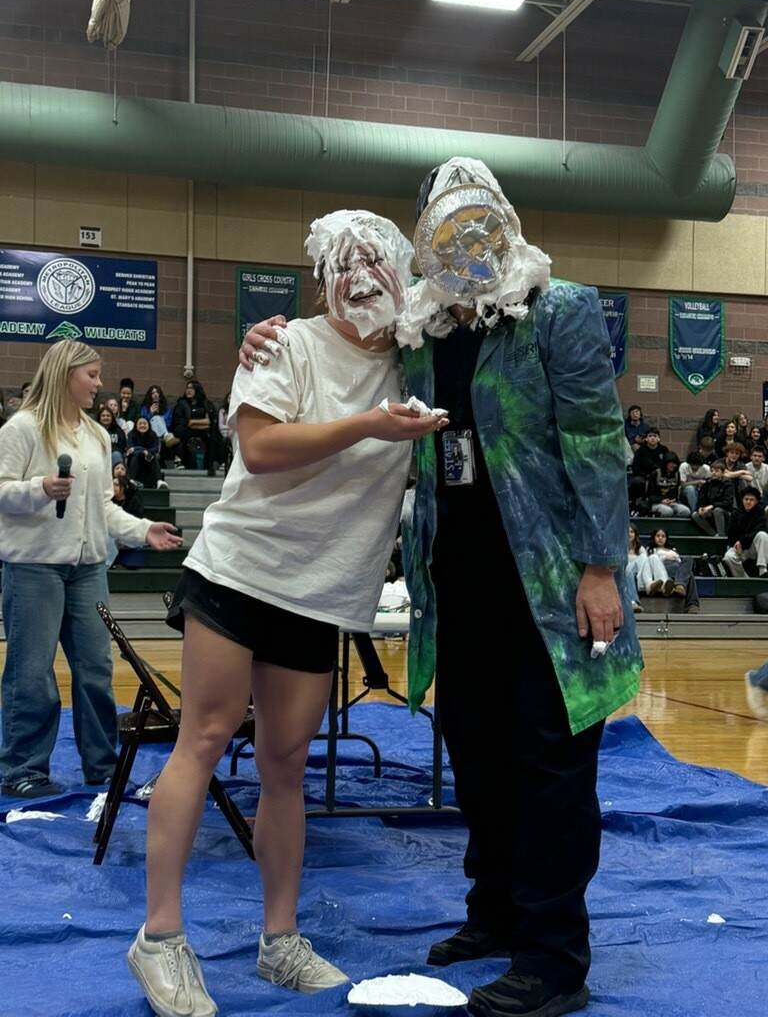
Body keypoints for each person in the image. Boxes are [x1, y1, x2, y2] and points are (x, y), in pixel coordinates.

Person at [241, 157, 643, 1017]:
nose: (463, 241)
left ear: (502, 216)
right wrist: (266, 339)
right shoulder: (419, 328)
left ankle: (553, 958)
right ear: (423, 240)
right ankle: (494, 911)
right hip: (458, 580)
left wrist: (602, 568)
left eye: (476, 218)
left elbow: (599, 442)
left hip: (552, 582)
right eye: (444, 228)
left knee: (549, 763)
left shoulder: (558, 309)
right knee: (476, 752)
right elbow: (341, 348)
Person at [126, 209, 448, 1017]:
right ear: (322, 278)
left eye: (377, 261)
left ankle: (279, 941)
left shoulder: (417, 358)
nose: (362, 277)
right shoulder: (287, 345)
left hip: (319, 594)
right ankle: (159, 938)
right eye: (345, 264)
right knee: (204, 738)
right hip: (241, 569)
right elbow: (262, 449)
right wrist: (370, 426)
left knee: (286, 766)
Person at [0, 341, 182, 799]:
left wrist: (143, 530)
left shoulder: (97, 436)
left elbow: (102, 507)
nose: (100, 385)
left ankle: (102, 766)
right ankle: (23, 769)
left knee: (96, 667)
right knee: (32, 671)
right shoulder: (21, 429)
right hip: (33, 567)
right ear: (65, 374)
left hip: (87, 569)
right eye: (92, 375)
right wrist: (39, 488)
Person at [646, 527, 700, 614]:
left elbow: (681, 563)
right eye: (658, 536)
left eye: (663, 536)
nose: (660, 538)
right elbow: (650, 563)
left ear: (666, 538)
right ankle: (692, 605)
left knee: (689, 559)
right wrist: (665, 557)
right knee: (689, 574)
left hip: (677, 568)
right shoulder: (651, 550)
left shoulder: (672, 550)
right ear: (654, 537)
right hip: (663, 568)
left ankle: (681, 585)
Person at [170, 379, 218, 474]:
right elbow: (182, 422)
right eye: (187, 388)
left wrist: (192, 422)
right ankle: (179, 461)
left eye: (191, 388)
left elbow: (209, 422)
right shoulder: (181, 404)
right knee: (180, 432)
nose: (188, 390)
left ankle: (212, 464)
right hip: (186, 430)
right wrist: (201, 423)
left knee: (214, 436)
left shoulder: (206, 404)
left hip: (203, 431)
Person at [722, 486, 768, 577]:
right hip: (739, 548)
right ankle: (743, 579)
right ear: (742, 500)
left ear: (756, 501)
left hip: (753, 547)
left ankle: (762, 569)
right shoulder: (735, 513)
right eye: (746, 499)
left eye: (751, 500)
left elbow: (759, 529)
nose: (748, 502)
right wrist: (736, 543)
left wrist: (742, 542)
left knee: (763, 535)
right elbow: (730, 533)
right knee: (728, 557)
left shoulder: (760, 512)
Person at [626, 523, 674, 599]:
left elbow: (646, 562)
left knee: (653, 557)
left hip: (638, 571)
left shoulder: (639, 548)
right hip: (626, 571)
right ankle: (647, 584)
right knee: (643, 557)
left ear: (635, 534)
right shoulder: (620, 547)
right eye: (627, 532)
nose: (629, 534)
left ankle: (664, 585)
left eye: (632, 532)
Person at [691, 460, 735, 536]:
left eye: (717, 471)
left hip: (724, 512)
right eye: (712, 471)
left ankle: (721, 535)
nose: (713, 473)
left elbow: (727, 503)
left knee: (717, 510)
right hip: (710, 511)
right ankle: (713, 534)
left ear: (722, 473)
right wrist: (700, 507)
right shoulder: (707, 484)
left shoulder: (728, 484)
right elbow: (701, 500)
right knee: (695, 515)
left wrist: (712, 506)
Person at [646, 450, 690, 518]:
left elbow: (675, 492)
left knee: (686, 511)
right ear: (666, 463)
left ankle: (674, 522)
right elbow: (650, 495)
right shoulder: (655, 474)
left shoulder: (676, 474)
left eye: (676, 464)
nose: (675, 466)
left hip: (671, 503)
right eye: (673, 463)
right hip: (657, 503)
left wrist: (673, 499)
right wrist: (661, 500)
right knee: (668, 512)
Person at [126, 415, 166, 489]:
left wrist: (138, 449)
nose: (142, 425)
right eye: (140, 424)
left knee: (152, 456)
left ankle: (159, 481)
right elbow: (130, 449)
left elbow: (155, 449)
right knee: (137, 454)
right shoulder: (131, 434)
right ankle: (132, 480)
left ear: (148, 425)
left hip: (148, 461)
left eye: (144, 423)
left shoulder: (153, 434)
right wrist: (143, 450)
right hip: (134, 460)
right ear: (136, 425)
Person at [96, 402, 127, 467]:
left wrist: (110, 450)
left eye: (108, 416)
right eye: (103, 416)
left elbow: (122, 446)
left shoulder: (118, 431)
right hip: (98, 454)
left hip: (114, 455)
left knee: (116, 454)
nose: (106, 418)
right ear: (99, 417)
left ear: (112, 417)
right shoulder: (95, 430)